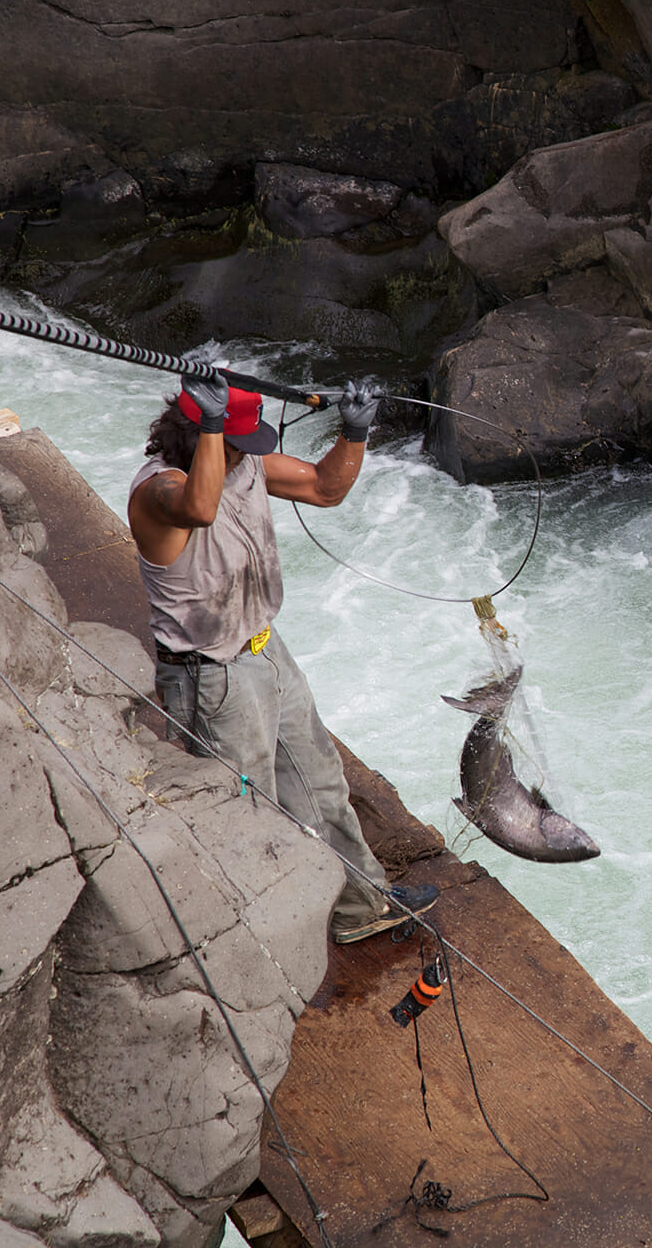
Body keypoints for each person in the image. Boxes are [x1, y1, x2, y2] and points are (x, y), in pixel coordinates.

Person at [127, 371, 436, 944]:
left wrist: (354, 431)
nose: (250, 454)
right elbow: (199, 508)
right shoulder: (158, 491)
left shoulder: (247, 465)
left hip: (266, 649)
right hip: (212, 676)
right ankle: (258, 949)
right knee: (245, 812)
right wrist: (217, 426)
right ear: (205, 438)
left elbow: (324, 487)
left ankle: (360, 907)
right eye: (235, 441)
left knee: (320, 783)